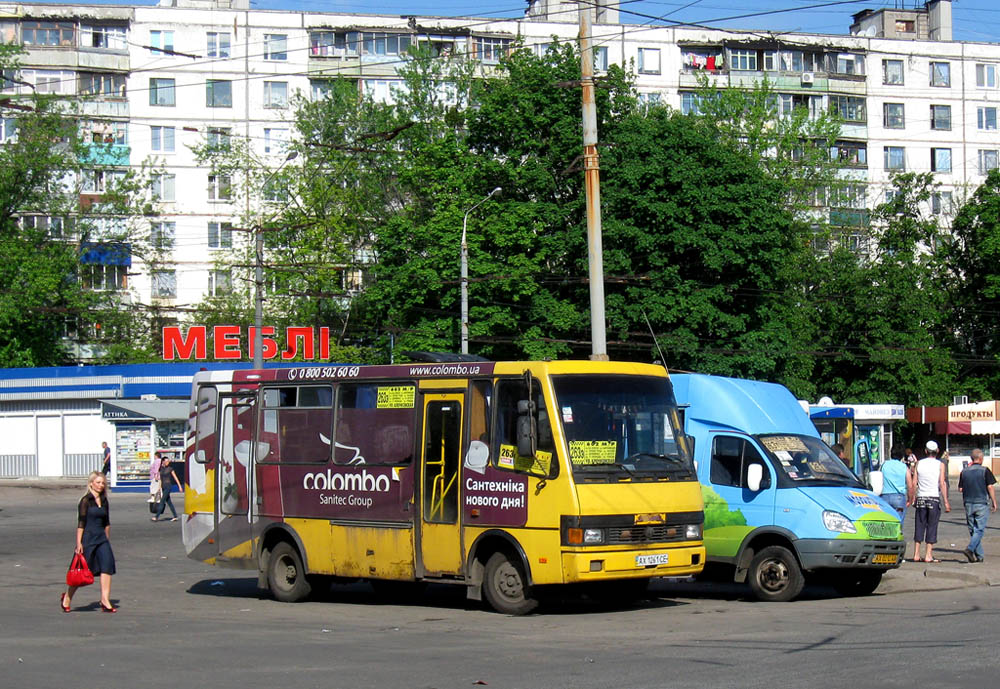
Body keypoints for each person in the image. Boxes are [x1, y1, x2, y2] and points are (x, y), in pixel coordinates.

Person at [62, 471, 116, 613]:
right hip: (88, 538)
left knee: (107, 565)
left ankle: (105, 599)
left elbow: (107, 522)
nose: (101, 485)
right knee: (81, 571)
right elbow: (81, 523)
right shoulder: (85, 500)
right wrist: (79, 543)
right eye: (98, 482)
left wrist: (107, 539)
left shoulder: (104, 500)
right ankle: (67, 597)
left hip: (102, 538)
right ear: (91, 483)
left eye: (103, 483)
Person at [910, 440, 950, 563]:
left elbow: (914, 483)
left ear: (926, 451)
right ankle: (928, 555)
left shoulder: (919, 463)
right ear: (937, 451)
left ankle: (916, 554)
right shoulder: (940, 465)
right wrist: (946, 502)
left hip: (921, 498)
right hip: (933, 498)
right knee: (932, 526)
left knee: (919, 524)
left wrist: (912, 498)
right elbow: (942, 483)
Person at [958, 448, 998, 563]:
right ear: (981, 459)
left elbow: (960, 489)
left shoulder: (964, 472)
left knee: (973, 530)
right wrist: (994, 501)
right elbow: (990, 486)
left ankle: (979, 556)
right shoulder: (985, 470)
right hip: (981, 502)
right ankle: (970, 549)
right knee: (979, 530)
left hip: (968, 503)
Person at [881, 446, 909, 524]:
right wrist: (910, 498)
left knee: (885, 522)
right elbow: (910, 484)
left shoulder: (884, 465)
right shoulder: (904, 467)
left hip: (884, 497)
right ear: (902, 455)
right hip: (899, 498)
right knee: (898, 522)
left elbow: (878, 479)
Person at [153, 456, 183, 522]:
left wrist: (179, 486)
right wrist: (159, 488)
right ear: (163, 461)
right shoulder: (161, 469)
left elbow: (175, 478)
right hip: (163, 486)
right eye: (166, 461)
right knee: (169, 502)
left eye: (168, 461)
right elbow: (160, 479)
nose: (167, 462)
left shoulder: (170, 469)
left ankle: (156, 516)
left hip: (168, 486)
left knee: (162, 501)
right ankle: (175, 516)